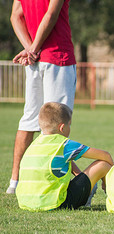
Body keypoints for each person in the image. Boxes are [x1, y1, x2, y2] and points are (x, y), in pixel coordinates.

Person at [7, 0, 77, 194]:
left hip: (34, 62)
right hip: (57, 56)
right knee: (58, 122)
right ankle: (51, 182)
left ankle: (15, 182)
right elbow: (50, 15)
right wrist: (34, 48)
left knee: (29, 119)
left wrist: (30, 49)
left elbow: (15, 16)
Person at [16, 102, 113, 211]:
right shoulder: (64, 145)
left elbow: (64, 160)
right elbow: (105, 155)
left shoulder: (35, 144)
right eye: (69, 125)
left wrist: (79, 175)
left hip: (26, 203)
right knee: (102, 164)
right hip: (55, 203)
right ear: (62, 127)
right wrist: (105, 183)